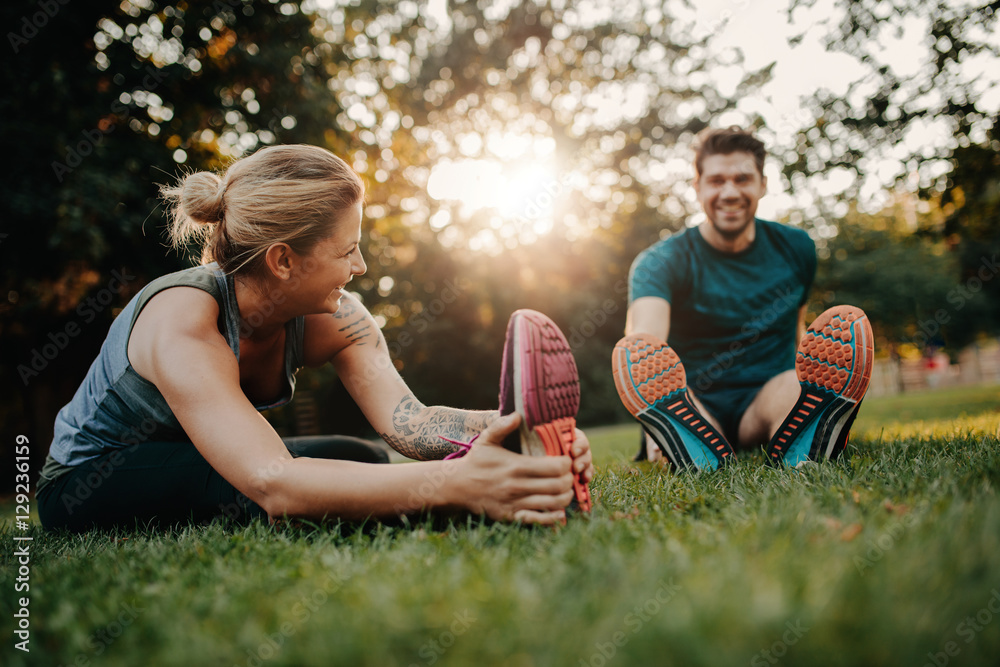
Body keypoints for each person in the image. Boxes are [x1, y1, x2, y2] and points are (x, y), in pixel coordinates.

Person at [37, 144, 593, 532]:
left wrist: (514, 432)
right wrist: (460, 485)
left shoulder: (338, 318)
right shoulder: (184, 318)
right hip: (90, 478)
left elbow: (412, 424)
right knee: (257, 494)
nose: (362, 265)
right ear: (283, 260)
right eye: (346, 249)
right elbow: (276, 483)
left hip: (204, 460)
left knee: (364, 459)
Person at [612, 126, 873, 470]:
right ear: (698, 187)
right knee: (679, 400)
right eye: (717, 181)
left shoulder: (797, 248)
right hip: (696, 399)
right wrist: (648, 413)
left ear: (763, 184)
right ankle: (675, 435)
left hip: (766, 397)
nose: (730, 192)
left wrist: (811, 375)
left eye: (742, 179)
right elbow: (644, 345)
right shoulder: (660, 261)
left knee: (794, 389)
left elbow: (796, 327)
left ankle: (809, 432)